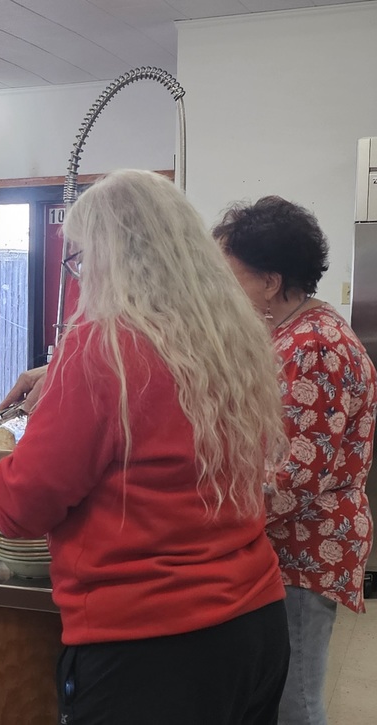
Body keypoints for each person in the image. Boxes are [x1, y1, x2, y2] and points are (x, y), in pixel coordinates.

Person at [0, 170, 291, 724]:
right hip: (253, 620)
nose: (79, 275)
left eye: (81, 258)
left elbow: (22, 505)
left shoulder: (100, 348)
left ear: (112, 258)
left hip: (152, 647)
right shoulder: (225, 341)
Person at [215, 196, 376, 725]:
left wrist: (209, 518)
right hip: (284, 541)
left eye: (232, 274)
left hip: (307, 546)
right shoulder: (287, 333)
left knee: (296, 698)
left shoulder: (317, 347)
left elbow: (294, 474)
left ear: (270, 279)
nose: (224, 287)